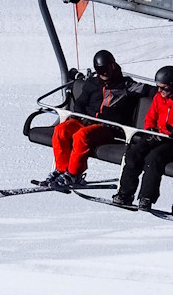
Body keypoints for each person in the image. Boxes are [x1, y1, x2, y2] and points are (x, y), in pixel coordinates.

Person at [44, 49, 147, 190]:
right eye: (99, 70)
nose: (103, 73)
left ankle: (74, 174)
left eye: (106, 68)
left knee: (81, 136)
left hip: (107, 127)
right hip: (85, 121)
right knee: (61, 130)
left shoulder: (126, 85)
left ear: (113, 65)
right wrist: (81, 117)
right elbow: (80, 103)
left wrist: (171, 88)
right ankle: (62, 170)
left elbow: (150, 90)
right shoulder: (92, 83)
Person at [112, 65, 173, 210]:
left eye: (163, 88)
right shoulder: (159, 97)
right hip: (157, 136)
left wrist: (163, 133)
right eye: (158, 87)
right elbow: (151, 116)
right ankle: (125, 193)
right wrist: (151, 130)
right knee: (134, 153)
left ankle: (146, 197)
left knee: (154, 158)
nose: (160, 91)